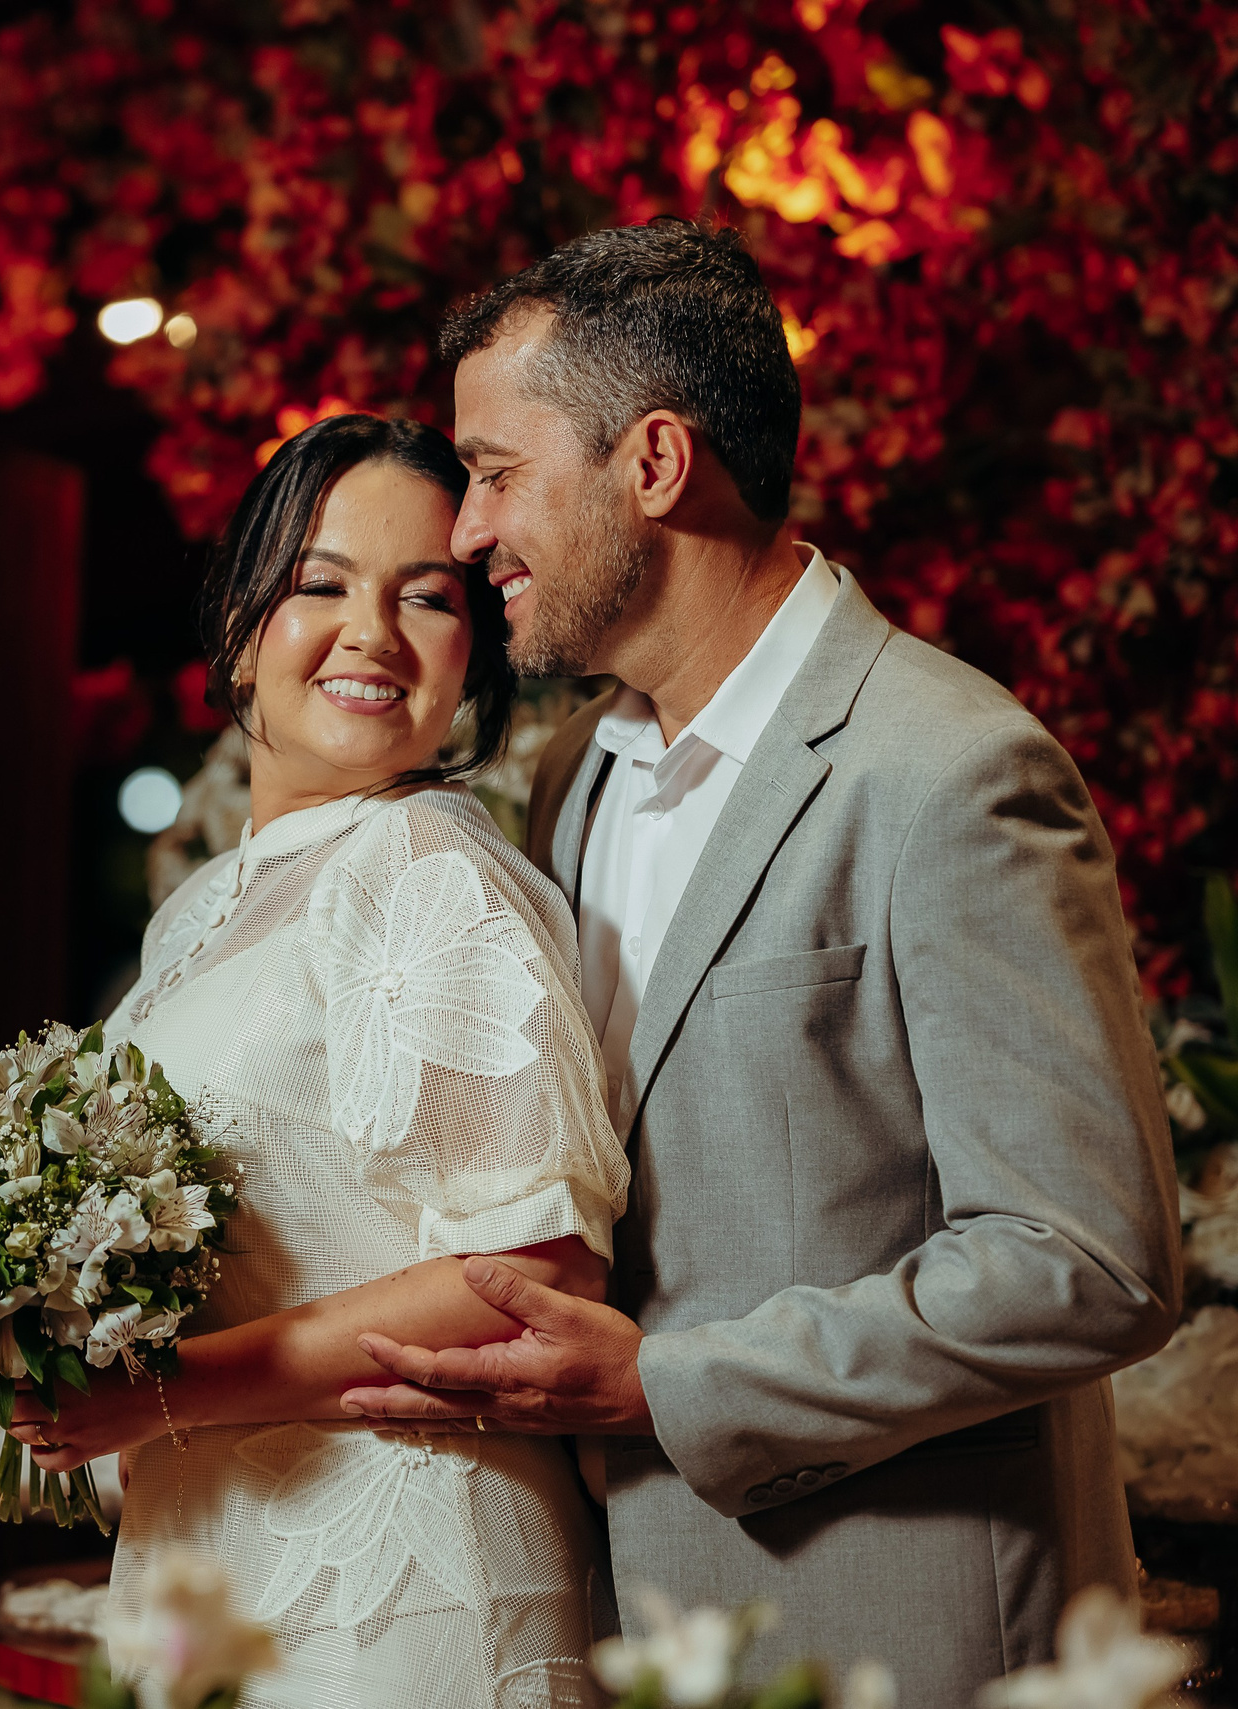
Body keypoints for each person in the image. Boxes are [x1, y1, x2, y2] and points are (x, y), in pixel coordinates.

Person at [342, 220, 1184, 1703]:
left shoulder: (951, 773)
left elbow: (1089, 1262)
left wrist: (666, 1384)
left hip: (905, 1640)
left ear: (652, 464)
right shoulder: (570, 782)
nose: (468, 533)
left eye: (494, 470)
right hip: (633, 1633)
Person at [9, 413, 630, 1708]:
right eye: (321, 585)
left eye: (428, 597)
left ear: (475, 651)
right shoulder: (213, 901)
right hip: (225, 1565)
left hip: (397, 1597)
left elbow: (533, 1269)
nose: (373, 634)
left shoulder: (427, 870)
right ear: (240, 621)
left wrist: (167, 1393)